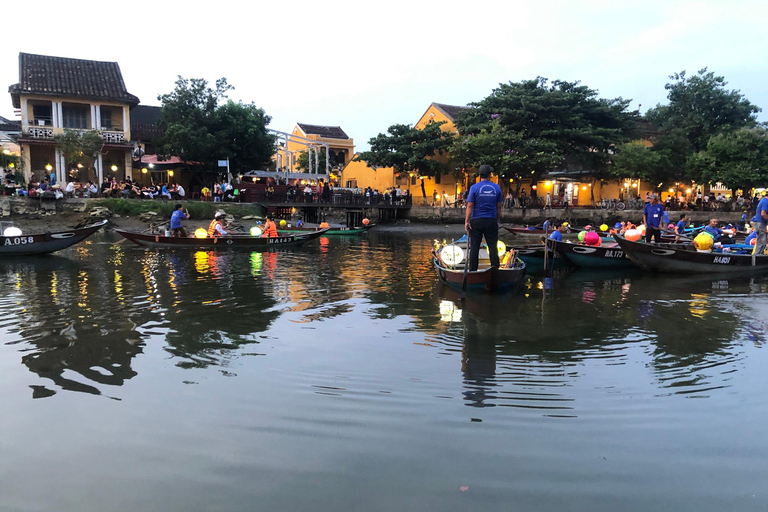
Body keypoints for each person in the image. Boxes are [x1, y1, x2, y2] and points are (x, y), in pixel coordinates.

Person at [464, 164, 503, 271]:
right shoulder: (497, 187)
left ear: (480, 175)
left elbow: (470, 205)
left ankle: (473, 271)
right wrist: (497, 220)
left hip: (476, 221)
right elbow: (499, 207)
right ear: (490, 175)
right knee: (493, 247)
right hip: (491, 220)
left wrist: (466, 222)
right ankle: (495, 270)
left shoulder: (474, 188)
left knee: (475, 247)